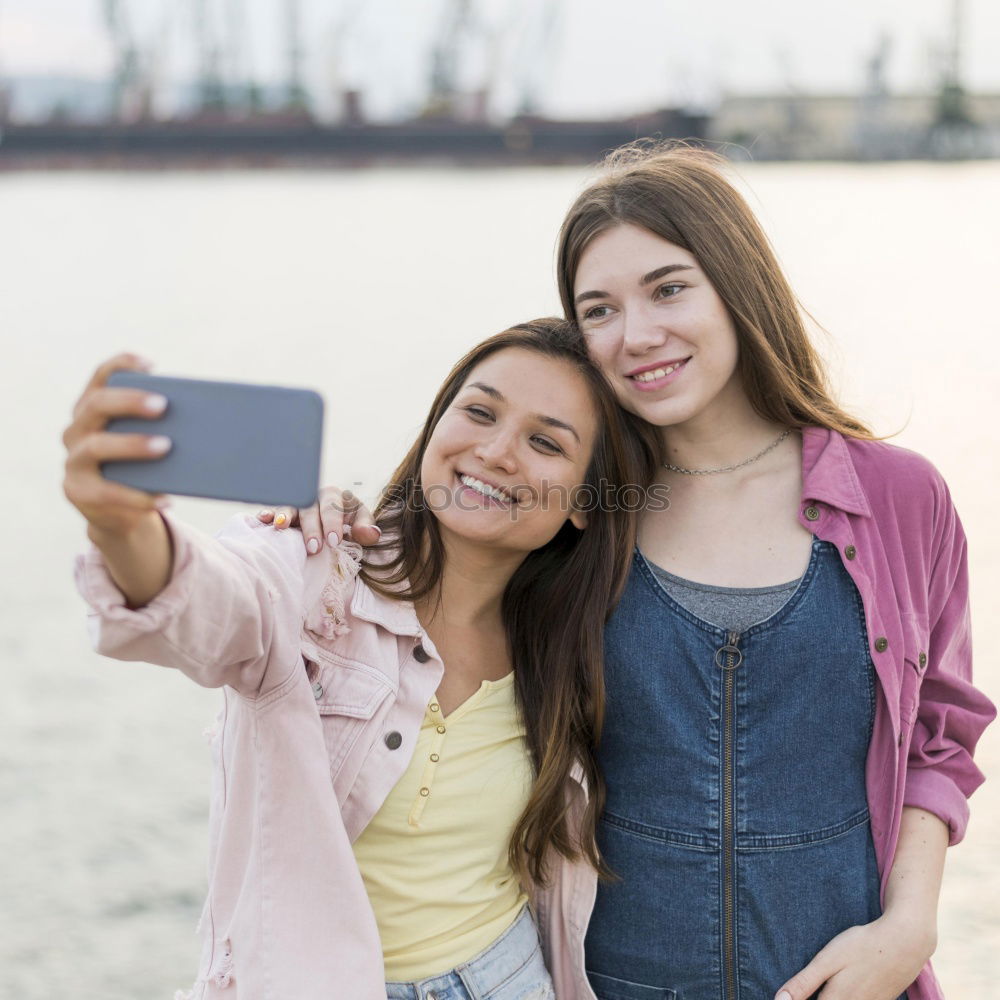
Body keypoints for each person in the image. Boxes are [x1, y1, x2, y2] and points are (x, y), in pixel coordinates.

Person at [279, 144, 995, 1000]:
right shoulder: (578, 506)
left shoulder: (896, 497)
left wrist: (907, 930)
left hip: (851, 979)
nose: (637, 335)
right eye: (600, 310)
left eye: (668, 288)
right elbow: (444, 548)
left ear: (736, 284)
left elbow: (938, 733)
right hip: (610, 980)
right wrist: (330, 521)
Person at [63, 319, 662, 1000]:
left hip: (510, 979)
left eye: (546, 442)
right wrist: (121, 525)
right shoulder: (317, 573)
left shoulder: (569, 646)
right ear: (436, 426)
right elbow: (214, 600)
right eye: (479, 411)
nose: (497, 452)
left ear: (585, 503)